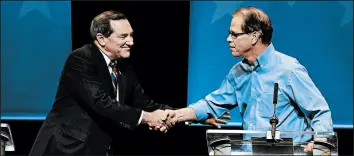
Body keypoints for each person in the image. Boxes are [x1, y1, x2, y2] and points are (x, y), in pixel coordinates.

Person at [165, 6, 333, 154]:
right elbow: (210, 105)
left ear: (254, 37)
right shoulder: (238, 72)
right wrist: (175, 115)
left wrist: (320, 143)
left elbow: (319, 111)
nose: (228, 39)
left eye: (234, 34)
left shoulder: (289, 69)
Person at [29, 10, 178, 156]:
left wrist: (176, 114)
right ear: (101, 39)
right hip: (66, 148)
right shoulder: (80, 59)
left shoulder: (124, 68)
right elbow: (100, 102)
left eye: (131, 35)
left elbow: (144, 103)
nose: (131, 42)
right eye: (123, 36)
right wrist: (148, 117)